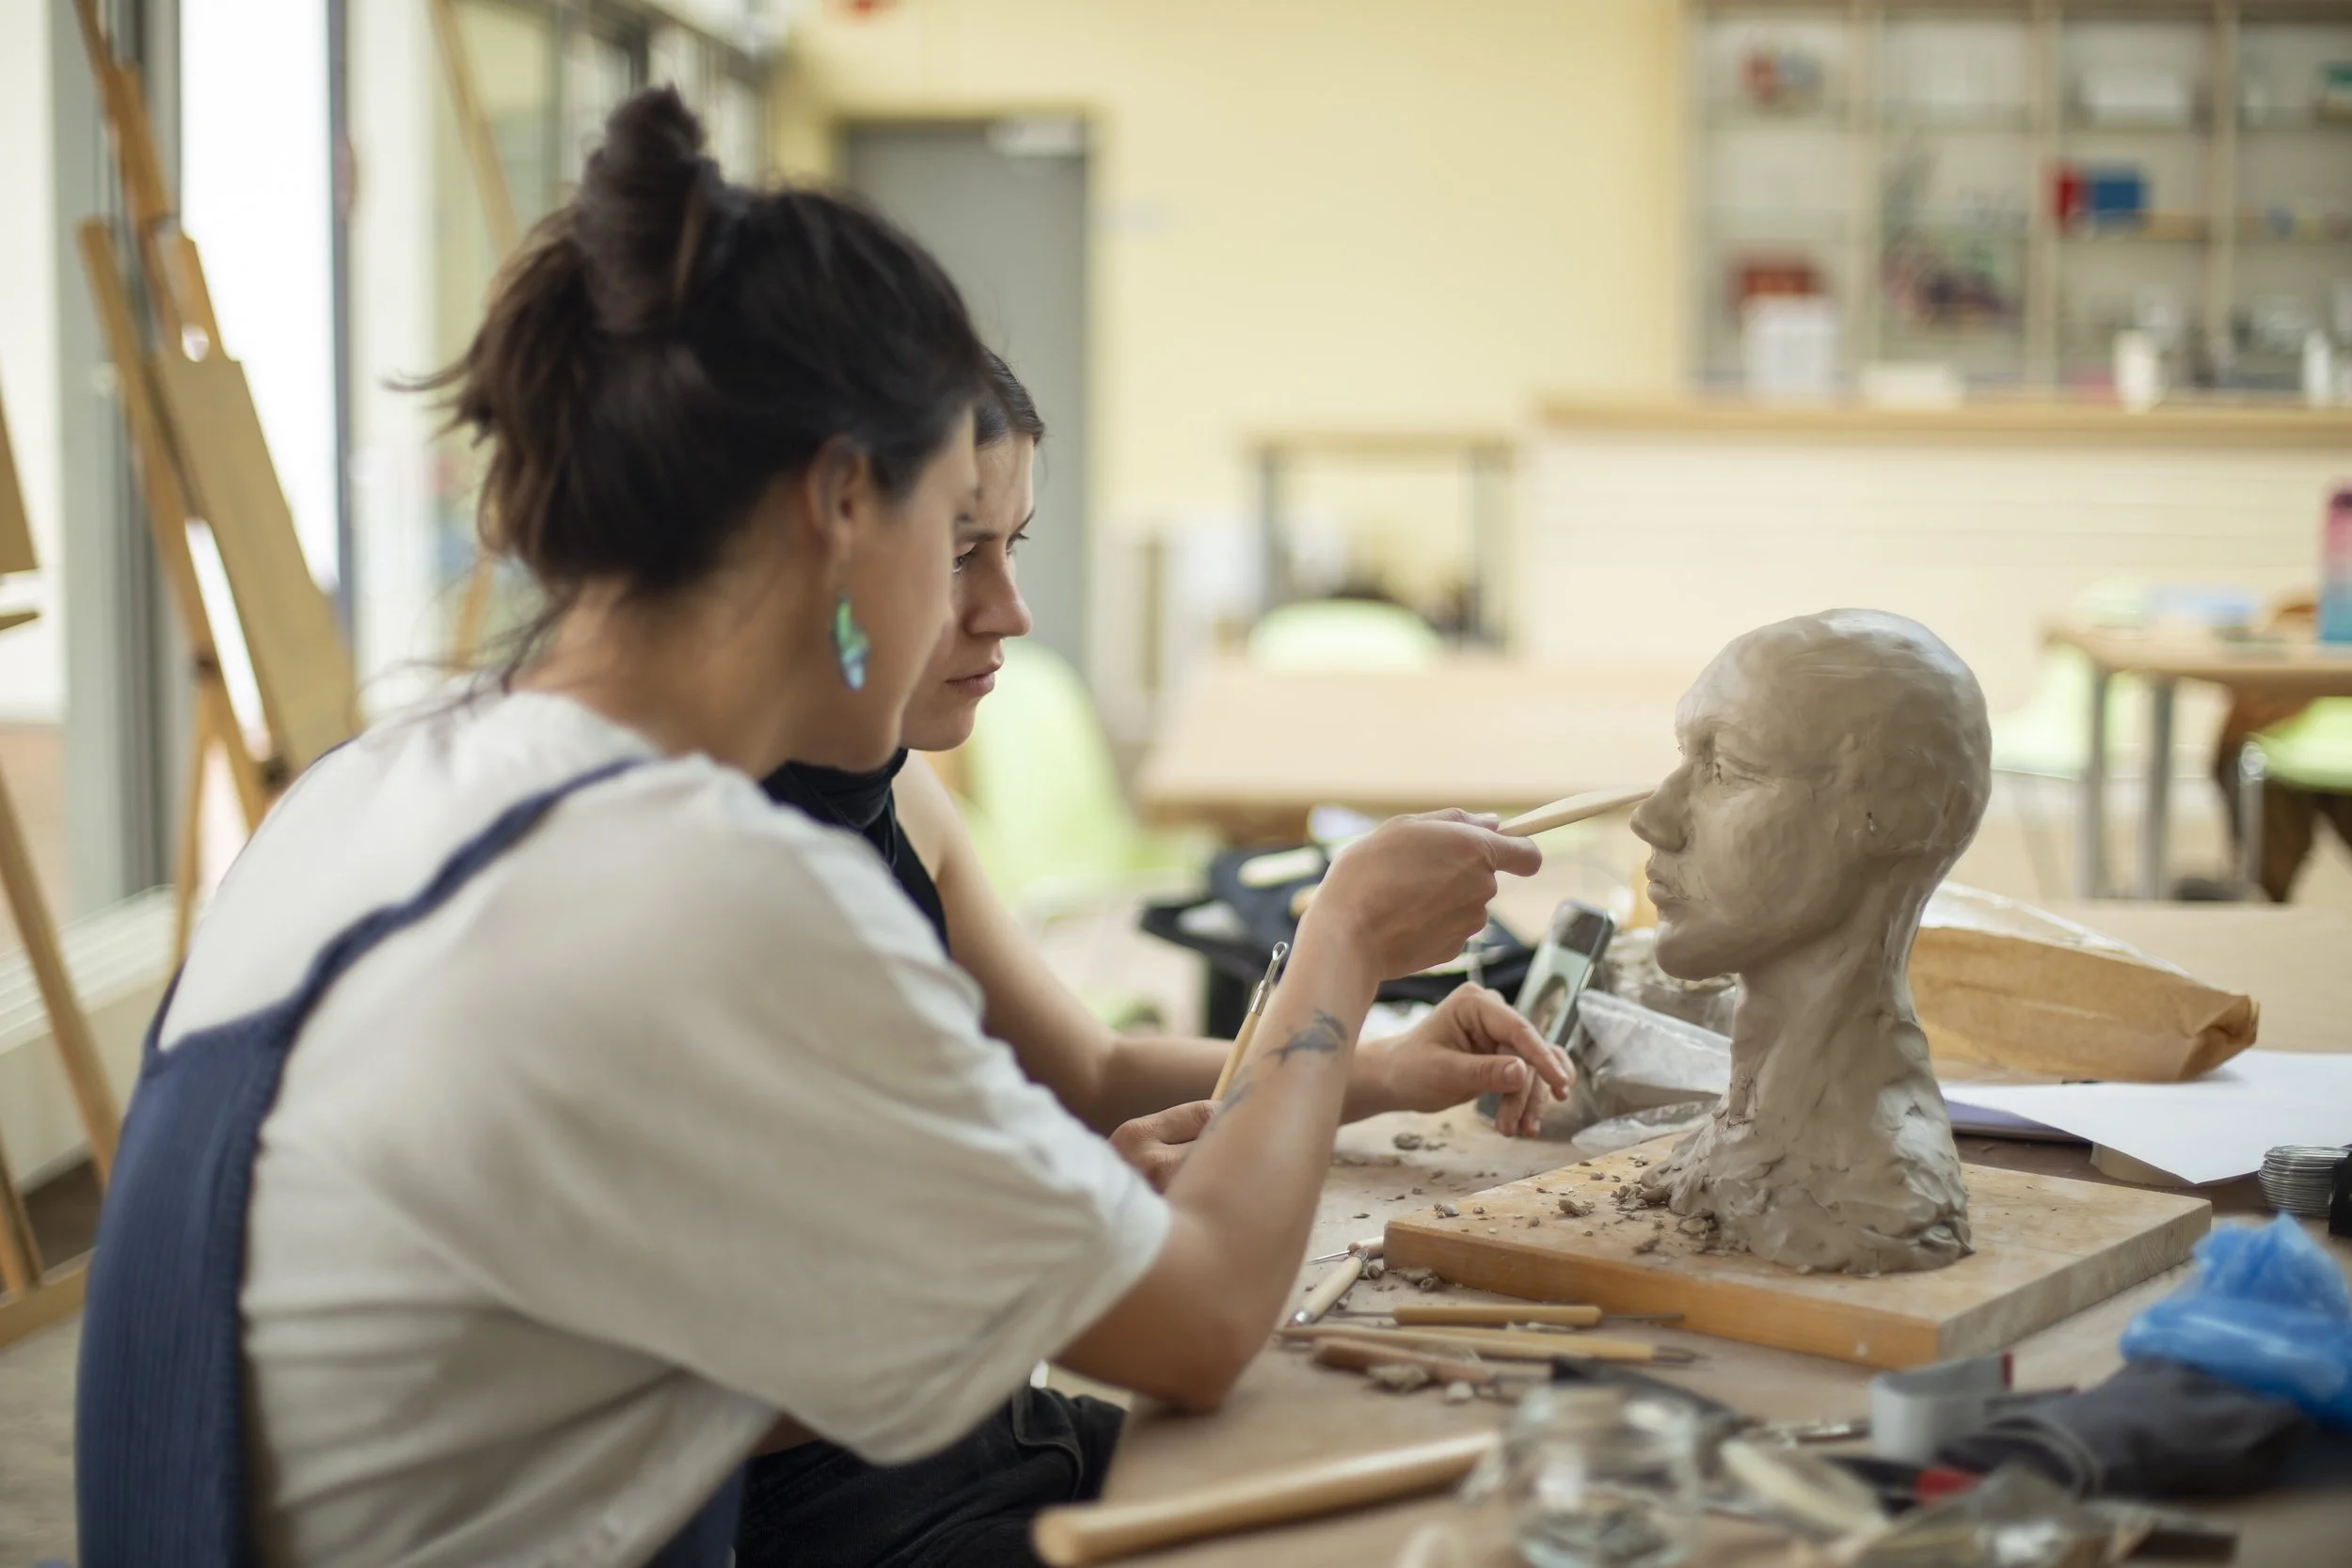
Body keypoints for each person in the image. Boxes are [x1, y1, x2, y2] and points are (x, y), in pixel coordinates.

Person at [74, 89, 1549, 1568]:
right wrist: (1342, 935)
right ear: (845, 499)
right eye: (948, 530)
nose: (987, 603)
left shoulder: (367, 792)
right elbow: (1210, 1317)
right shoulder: (706, 890)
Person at [746, 358, 1573, 1559]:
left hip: (986, 1431)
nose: (1010, 610)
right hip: (847, 1512)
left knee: (1424, 1481)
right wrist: (1335, 947)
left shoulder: (893, 786)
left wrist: (1380, 1065)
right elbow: (1196, 1329)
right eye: (960, 553)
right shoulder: (745, 878)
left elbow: (1084, 1068)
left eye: (1014, 545)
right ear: (830, 548)